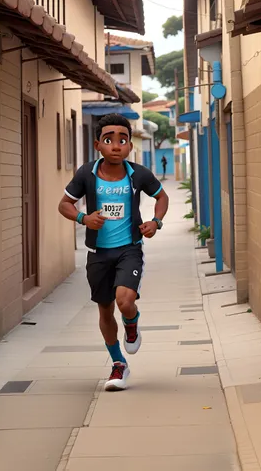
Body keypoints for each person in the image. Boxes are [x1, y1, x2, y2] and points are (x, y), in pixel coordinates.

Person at [58, 114, 169, 391]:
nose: (116, 145)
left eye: (122, 140)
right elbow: (64, 204)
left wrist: (156, 222)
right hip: (98, 253)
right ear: (98, 144)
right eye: (109, 140)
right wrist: (84, 218)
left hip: (129, 249)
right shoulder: (86, 173)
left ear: (130, 145)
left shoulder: (139, 174)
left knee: (124, 300)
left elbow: (162, 197)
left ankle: (132, 323)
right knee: (105, 310)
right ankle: (118, 363)